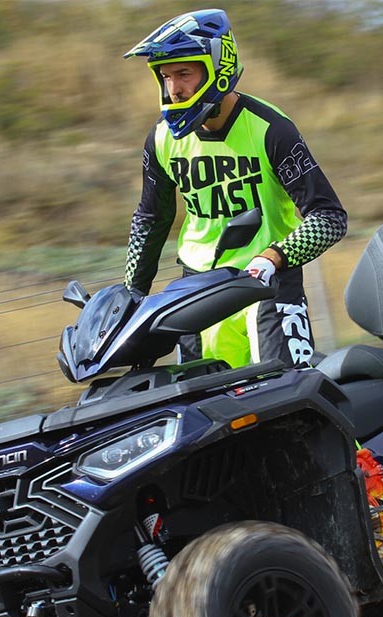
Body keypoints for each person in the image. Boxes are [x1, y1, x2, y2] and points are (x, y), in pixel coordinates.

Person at [122, 8, 347, 369]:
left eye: (184, 74)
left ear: (217, 67)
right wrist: (129, 295)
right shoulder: (161, 139)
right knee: (201, 401)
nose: (174, 89)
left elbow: (329, 217)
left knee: (285, 394)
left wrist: (273, 257)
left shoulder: (271, 129)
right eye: (165, 76)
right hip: (196, 291)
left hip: (267, 283)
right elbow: (151, 220)